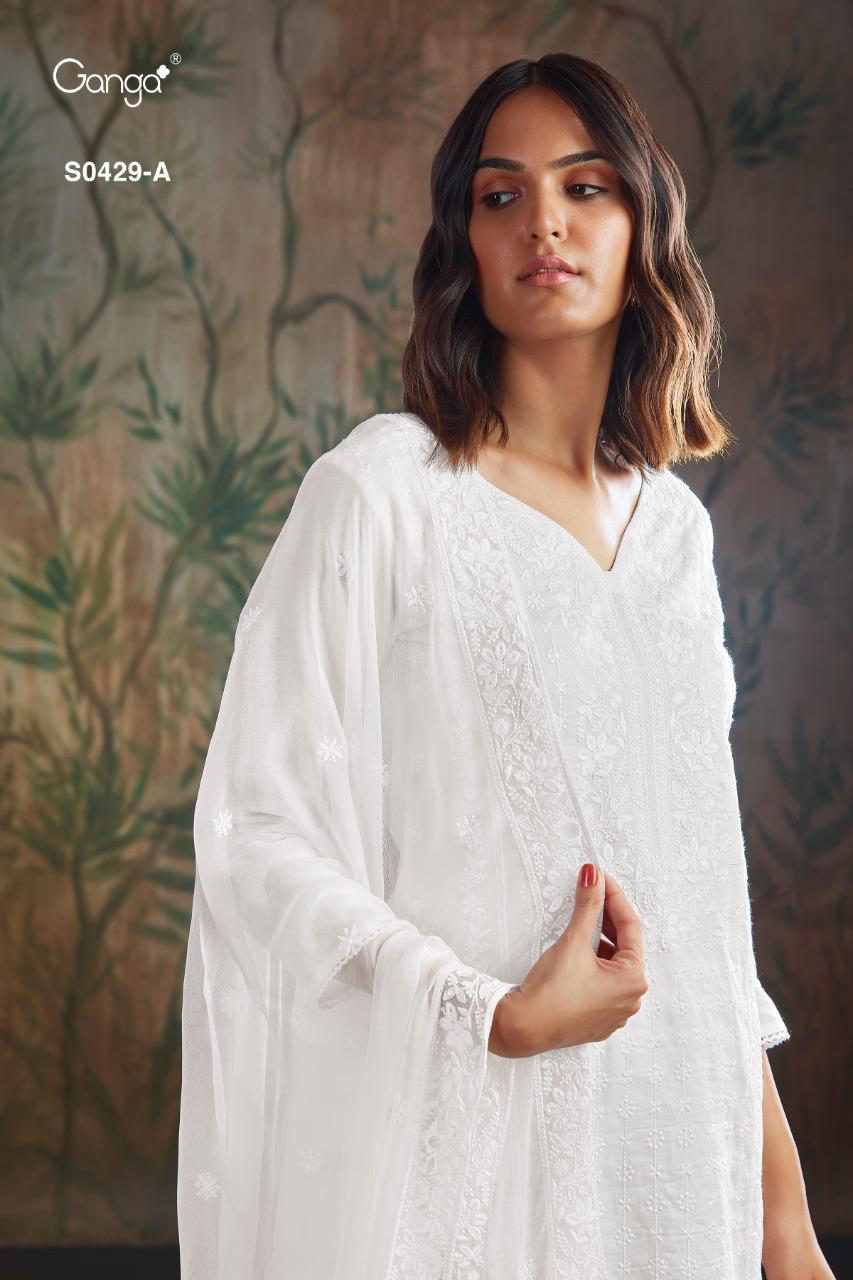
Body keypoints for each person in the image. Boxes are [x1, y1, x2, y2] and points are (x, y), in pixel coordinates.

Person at [177, 54, 833, 1280]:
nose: (544, 222)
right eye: (500, 194)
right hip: (485, 1169)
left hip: (682, 1170)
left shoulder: (675, 536)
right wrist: (487, 1012)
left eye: (585, 186)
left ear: (641, 224)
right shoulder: (381, 493)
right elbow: (255, 832)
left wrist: (784, 1220)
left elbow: (700, 904)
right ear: (463, 245)